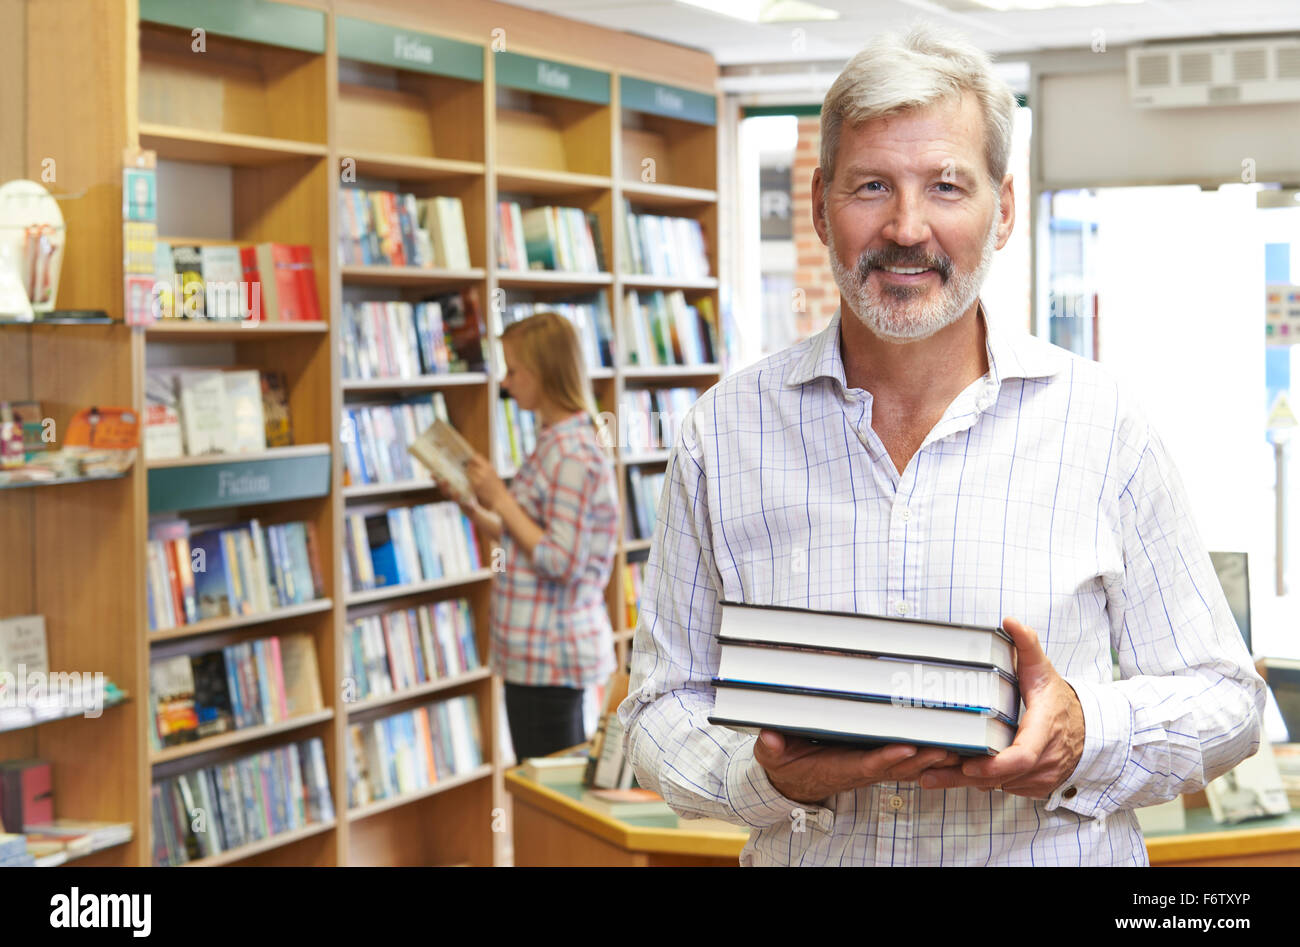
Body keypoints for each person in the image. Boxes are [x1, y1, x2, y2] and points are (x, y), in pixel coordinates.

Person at [617, 23, 1266, 866]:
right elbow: (654, 712)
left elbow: (1228, 702)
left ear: (1002, 210)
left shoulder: (1106, 427)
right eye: (872, 186)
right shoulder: (722, 434)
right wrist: (769, 778)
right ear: (819, 205)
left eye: (948, 187)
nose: (908, 227)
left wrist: (1084, 729)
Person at [448, 312, 619, 762]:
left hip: (552, 658)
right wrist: (472, 503)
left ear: (542, 373)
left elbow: (560, 560)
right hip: (531, 653)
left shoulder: (573, 453)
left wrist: (499, 498)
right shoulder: (552, 442)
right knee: (537, 792)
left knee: (548, 805)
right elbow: (523, 538)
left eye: (513, 370)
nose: (506, 382)